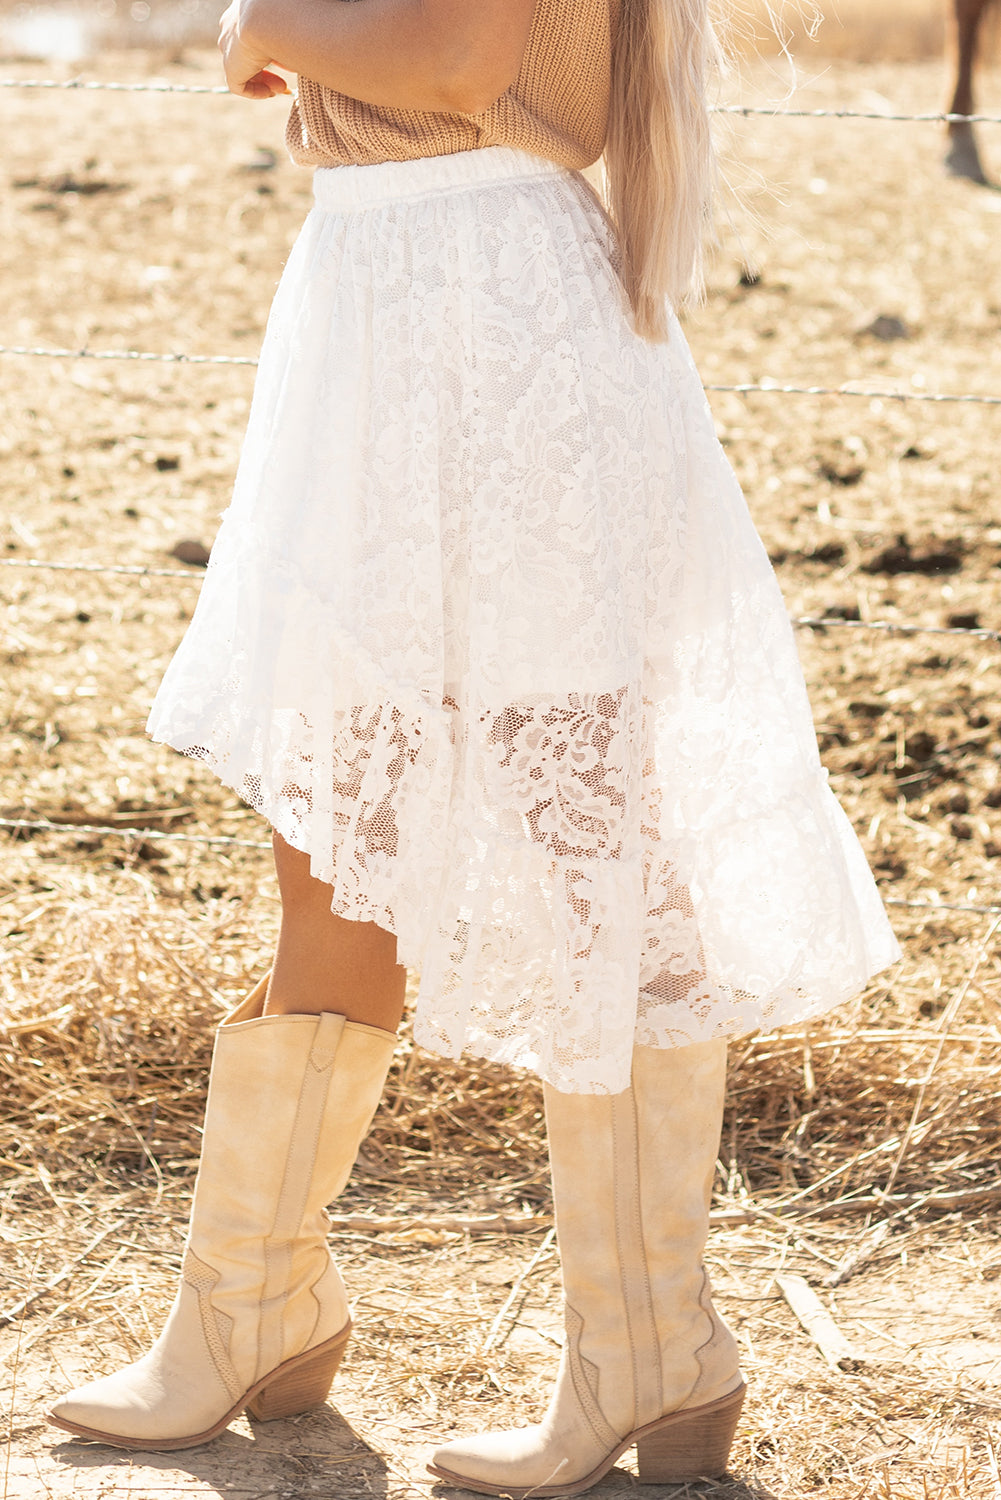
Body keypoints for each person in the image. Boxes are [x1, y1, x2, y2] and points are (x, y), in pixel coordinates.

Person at [48, 0, 900, 1489]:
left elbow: (456, 59)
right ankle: (248, 1311)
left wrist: (263, 21)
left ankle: (649, 1343)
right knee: (335, 849)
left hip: (488, 320)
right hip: (381, 294)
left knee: (590, 847)